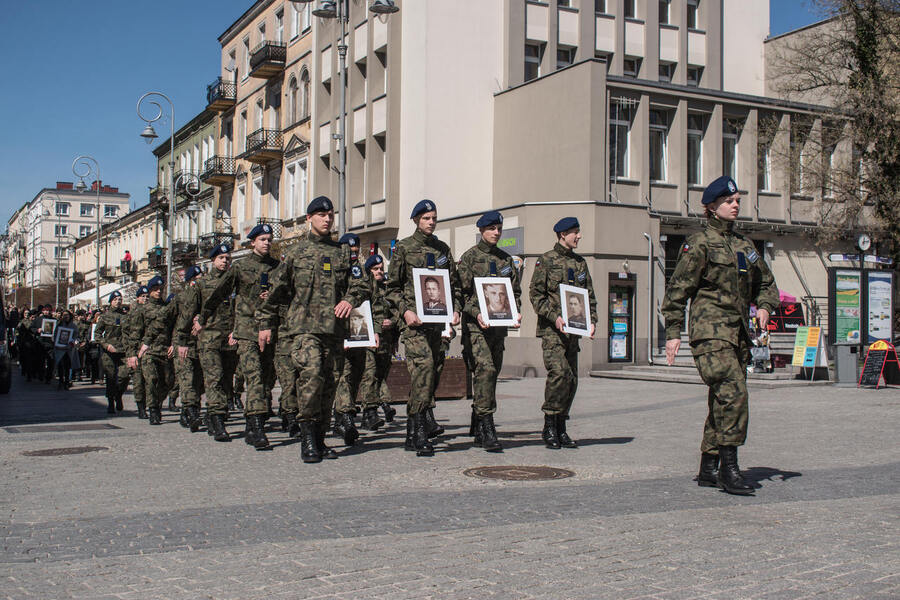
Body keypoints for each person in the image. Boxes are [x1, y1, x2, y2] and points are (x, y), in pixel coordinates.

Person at [661, 175, 778, 495]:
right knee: (734, 393)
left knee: (723, 399)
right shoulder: (699, 244)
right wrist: (673, 332)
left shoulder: (745, 246)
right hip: (710, 334)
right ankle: (730, 468)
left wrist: (765, 306)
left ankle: (708, 467)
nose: (735, 205)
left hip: (738, 335)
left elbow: (766, 283)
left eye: (737, 200)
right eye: (729, 201)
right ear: (711, 208)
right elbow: (676, 291)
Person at [259, 196, 370, 463]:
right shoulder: (296, 253)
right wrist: (265, 324)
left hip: (334, 330)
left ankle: (320, 438)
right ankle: (307, 438)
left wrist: (348, 299)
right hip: (304, 329)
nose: (327, 218)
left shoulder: (342, 253)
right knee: (311, 377)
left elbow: (362, 284)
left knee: (329, 384)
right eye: (320, 214)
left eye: (330, 214)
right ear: (309, 219)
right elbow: (275, 291)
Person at [386, 199, 462, 456]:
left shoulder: (442, 249)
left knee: (431, 372)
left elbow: (454, 285)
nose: (431, 222)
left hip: (437, 322)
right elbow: (392, 288)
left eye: (433, 218)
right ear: (417, 220)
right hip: (414, 324)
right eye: (426, 218)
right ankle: (419, 430)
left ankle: (411, 431)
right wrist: (405, 311)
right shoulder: (405, 248)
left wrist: (456, 309)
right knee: (424, 367)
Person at [200, 224, 280, 449]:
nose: (266, 243)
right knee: (253, 376)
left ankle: (251, 422)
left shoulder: (278, 267)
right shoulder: (240, 267)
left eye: (269, 239)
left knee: (265, 378)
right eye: (262, 239)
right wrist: (203, 316)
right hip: (246, 330)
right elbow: (220, 292)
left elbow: (288, 294)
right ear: (252, 242)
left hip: (270, 330)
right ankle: (256, 427)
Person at [529, 216, 596, 450]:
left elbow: (589, 296)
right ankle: (549, 424)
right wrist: (553, 316)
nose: (578, 236)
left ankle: (561, 426)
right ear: (562, 235)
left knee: (572, 380)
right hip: (552, 332)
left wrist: (591, 321)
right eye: (574, 232)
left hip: (573, 333)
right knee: (559, 373)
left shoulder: (580, 263)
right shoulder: (546, 260)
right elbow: (536, 295)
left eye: (578, 232)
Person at [458, 210, 522, 452]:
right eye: (492, 228)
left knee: (492, 375)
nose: (497, 233)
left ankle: (478, 417)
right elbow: (461, 295)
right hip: (476, 328)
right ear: (482, 230)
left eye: (499, 229)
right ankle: (487, 425)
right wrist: (477, 312)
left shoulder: (506, 261)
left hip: (498, 330)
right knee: (485, 370)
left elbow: (514, 293)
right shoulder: (469, 259)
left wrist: (516, 311)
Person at [192, 245, 238, 442]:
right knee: (215, 378)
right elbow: (190, 311)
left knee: (227, 381)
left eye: (228, 258)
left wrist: (236, 331)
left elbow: (240, 308)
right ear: (213, 261)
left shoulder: (235, 283)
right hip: (209, 339)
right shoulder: (202, 285)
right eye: (221, 258)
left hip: (230, 339)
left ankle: (212, 414)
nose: (225, 261)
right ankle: (218, 420)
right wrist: (195, 323)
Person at [135, 276, 177, 425]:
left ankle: (157, 402)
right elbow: (136, 333)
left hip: (165, 350)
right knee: (152, 380)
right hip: (149, 351)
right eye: (155, 289)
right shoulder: (143, 310)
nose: (158, 292)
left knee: (168, 382)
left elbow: (174, 328)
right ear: (150, 290)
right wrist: (134, 354)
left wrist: (174, 343)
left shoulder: (168, 307)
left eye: (161, 289)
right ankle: (153, 409)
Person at [174, 265, 206, 432]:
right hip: (184, 343)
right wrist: (177, 342)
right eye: (199, 277)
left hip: (200, 342)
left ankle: (187, 411)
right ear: (192, 280)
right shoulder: (180, 298)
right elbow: (167, 320)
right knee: (187, 380)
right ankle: (192, 412)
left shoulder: (205, 296)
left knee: (198, 381)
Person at [95, 291, 131, 414]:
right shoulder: (104, 316)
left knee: (124, 376)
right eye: (115, 299)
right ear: (111, 301)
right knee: (110, 377)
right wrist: (106, 344)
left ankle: (118, 394)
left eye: (120, 299)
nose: (118, 301)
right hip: (109, 352)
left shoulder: (126, 316)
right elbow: (97, 334)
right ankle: (111, 402)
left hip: (123, 350)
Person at [124, 286, 150, 419]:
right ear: (138, 298)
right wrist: (131, 354)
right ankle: (141, 407)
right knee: (139, 380)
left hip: (149, 350)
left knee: (151, 380)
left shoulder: (152, 310)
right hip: (137, 350)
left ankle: (151, 405)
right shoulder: (134, 313)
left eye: (147, 296)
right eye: (143, 296)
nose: (145, 299)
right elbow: (130, 336)